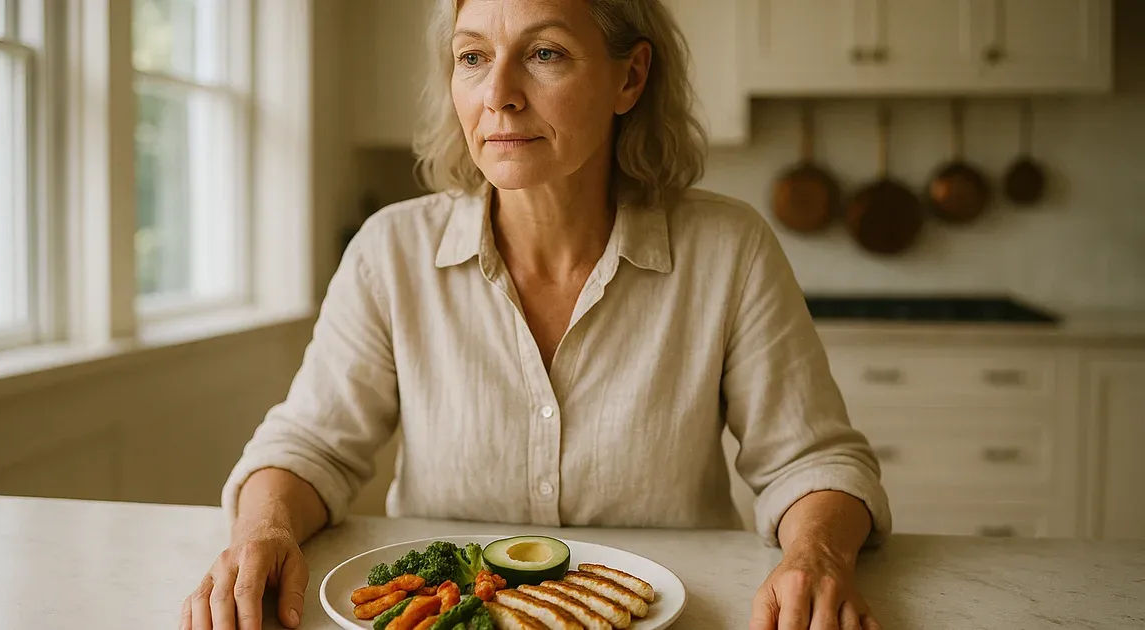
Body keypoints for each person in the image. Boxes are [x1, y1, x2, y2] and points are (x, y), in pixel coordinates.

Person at [180, 1, 892, 629]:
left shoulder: (729, 249)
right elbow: (312, 446)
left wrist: (818, 555)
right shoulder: (390, 249)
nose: (498, 95)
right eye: (472, 57)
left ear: (630, 78)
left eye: (545, 53)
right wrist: (263, 531)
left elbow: (813, 459)